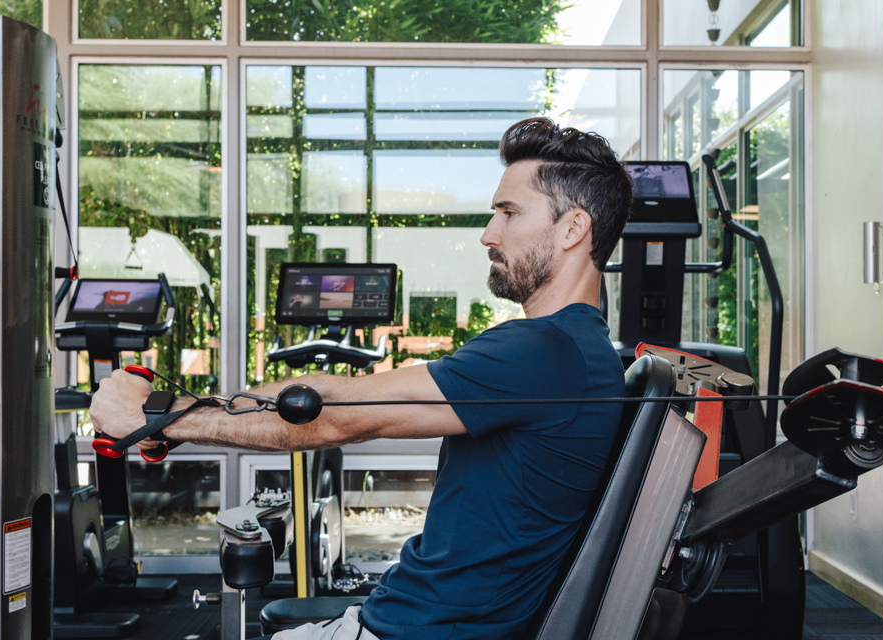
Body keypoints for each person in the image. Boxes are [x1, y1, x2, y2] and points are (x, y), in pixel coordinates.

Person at [90, 117, 635, 640]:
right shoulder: (579, 349)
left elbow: (325, 413)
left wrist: (158, 417)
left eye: (509, 213)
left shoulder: (542, 350)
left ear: (572, 227)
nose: (488, 234)